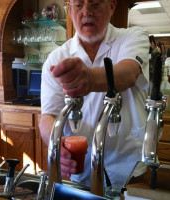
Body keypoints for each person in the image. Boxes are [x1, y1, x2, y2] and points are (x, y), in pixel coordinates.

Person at [39, 0, 150, 189]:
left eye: (96, 3)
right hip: (81, 173)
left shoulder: (133, 37)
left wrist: (89, 79)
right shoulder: (56, 58)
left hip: (131, 171)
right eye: (79, 4)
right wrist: (58, 144)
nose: (86, 12)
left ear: (112, 6)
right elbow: (48, 116)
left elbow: (129, 73)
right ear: (69, 9)